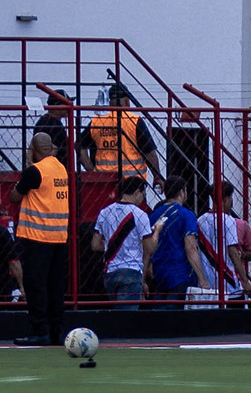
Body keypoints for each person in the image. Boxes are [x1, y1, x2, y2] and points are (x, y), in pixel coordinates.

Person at [11, 131, 70, 345]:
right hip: (59, 237)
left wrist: (28, 161)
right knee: (55, 286)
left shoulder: (34, 171)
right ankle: (57, 331)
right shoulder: (60, 169)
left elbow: (14, 196)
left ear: (33, 150)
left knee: (36, 285)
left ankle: (40, 331)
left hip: (37, 236)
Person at [81, 83, 161, 191]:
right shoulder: (134, 121)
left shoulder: (97, 122)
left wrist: (91, 170)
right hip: (132, 184)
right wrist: (157, 176)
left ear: (110, 103)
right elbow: (149, 153)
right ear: (127, 102)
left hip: (103, 182)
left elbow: (79, 145)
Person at [146, 174, 210, 303]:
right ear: (182, 191)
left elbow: (147, 247)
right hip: (180, 274)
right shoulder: (186, 215)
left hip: (159, 273)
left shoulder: (152, 216)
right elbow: (190, 247)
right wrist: (202, 278)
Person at [92, 175, 155, 304]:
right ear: (137, 192)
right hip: (131, 271)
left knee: (116, 315)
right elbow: (150, 247)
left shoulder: (104, 212)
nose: (142, 199)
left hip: (110, 272)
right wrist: (157, 231)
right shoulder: (140, 214)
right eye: (143, 195)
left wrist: (111, 243)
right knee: (127, 318)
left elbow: (95, 245)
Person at [197, 180, 251, 302]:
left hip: (208, 282)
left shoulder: (200, 220)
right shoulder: (228, 221)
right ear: (226, 198)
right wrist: (245, 281)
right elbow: (232, 252)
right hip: (228, 281)